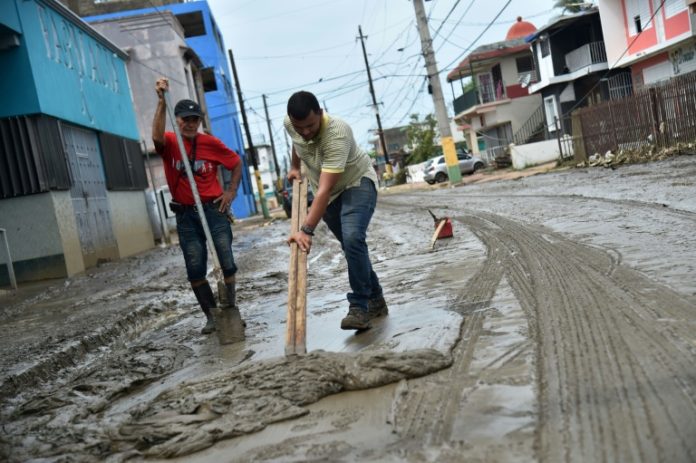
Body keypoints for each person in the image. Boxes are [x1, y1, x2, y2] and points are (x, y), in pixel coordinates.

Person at [284, 91, 387, 331]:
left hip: (356, 183)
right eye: (301, 128)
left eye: (311, 125)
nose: (306, 132)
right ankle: (376, 299)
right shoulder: (291, 124)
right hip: (327, 192)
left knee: (353, 238)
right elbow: (296, 141)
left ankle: (360, 308)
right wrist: (294, 167)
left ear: (320, 113)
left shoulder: (337, 133)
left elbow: (323, 191)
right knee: (352, 248)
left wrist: (306, 230)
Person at [152, 77, 243, 335]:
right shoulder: (171, 143)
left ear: (199, 122)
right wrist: (161, 102)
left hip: (214, 210)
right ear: (177, 119)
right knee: (195, 267)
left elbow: (236, 163)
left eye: (195, 120)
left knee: (226, 259)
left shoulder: (210, 143)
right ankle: (212, 316)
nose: (190, 124)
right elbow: (156, 138)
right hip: (186, 215)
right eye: (185, 119)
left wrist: (231, 192)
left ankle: (230, 309)